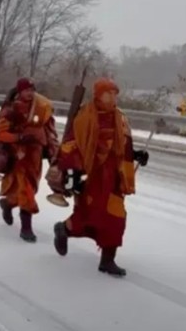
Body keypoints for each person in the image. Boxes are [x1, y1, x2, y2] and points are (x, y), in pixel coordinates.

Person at [50, 78, 147, 277]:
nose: (112, 97)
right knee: (89, 215)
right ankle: (64, 229)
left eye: (114, 94)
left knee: (116, 217)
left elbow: (124, 146)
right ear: (98, 94)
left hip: (115, 179)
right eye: (108, 93)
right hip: (93, 176)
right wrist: (73, 170)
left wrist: (136, 154)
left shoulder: (120, 118)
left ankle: (107, 260)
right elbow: (72, 144)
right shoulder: (86, 116)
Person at [0, 79, 57, 242]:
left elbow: (50, 132)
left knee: (28, 189)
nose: (30, 93)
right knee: (26, 190)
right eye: (26, 90)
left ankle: (8, 203)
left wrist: (53, 151)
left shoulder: (42, 108)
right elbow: (1, 134)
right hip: (18, 156)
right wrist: (20, 137)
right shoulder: (11, 109)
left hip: (35, 157)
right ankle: (26, 227)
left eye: (32, 89)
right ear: (20, 91)